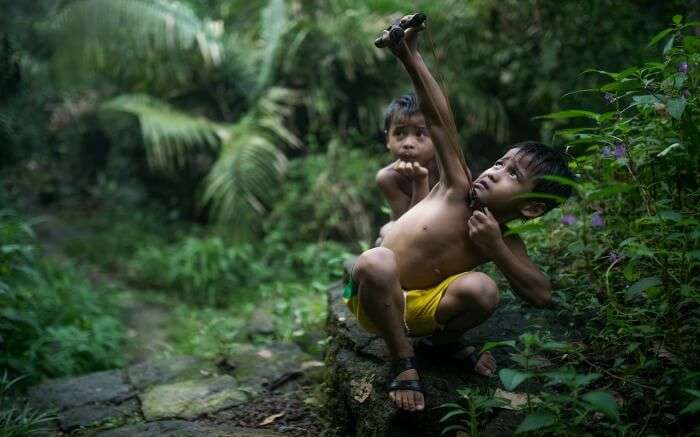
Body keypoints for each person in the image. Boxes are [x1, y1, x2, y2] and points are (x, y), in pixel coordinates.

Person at [343, 14, 575, 412]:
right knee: (377, 259)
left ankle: (443, 344)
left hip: (428, 308)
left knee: (484, 290)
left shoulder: (505, 239)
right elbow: (438, 120)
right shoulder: (456, 188)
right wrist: (409, 55)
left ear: (532, 208)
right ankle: (404, 361)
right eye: (500, 163)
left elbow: (541, 295)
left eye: (511, 175)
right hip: (378, 299)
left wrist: (495, 247)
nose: (494, 172)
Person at [375, 93, 439, 246]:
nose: (408, 143)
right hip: (410, 236)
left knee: (386, 233)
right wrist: (420, 181)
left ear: (437, 139)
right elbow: (409, 229)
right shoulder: (388, 178)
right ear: (387, 140)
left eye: (420, 133)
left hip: (443, 232)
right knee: (385, 236)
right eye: (400, 133)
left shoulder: (446, 170)